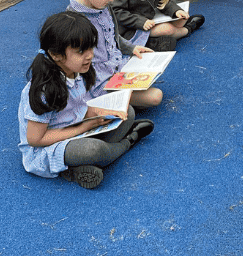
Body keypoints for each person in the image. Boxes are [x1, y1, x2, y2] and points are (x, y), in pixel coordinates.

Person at [18, 11, 155, 189]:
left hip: (75, 131)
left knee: (127, 113)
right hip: (48, 149)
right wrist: (82, 128)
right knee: (93, 150)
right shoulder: (43, 91)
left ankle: (86, 164)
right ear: (55, 54)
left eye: (91, 48)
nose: (90, 55)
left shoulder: (76, 72)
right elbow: (35, 140)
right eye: (81, 51)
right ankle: (129, 141)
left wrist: (100, 113)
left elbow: (79, 109)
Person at [66, 0, 163, 109]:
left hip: (116, 67)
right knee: (155, 97)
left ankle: (124, 102)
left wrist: (131, 48)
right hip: (98, 84)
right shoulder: (73, 22)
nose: (112, 0)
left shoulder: (102, 6)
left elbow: (110, 35)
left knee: (152, 73)